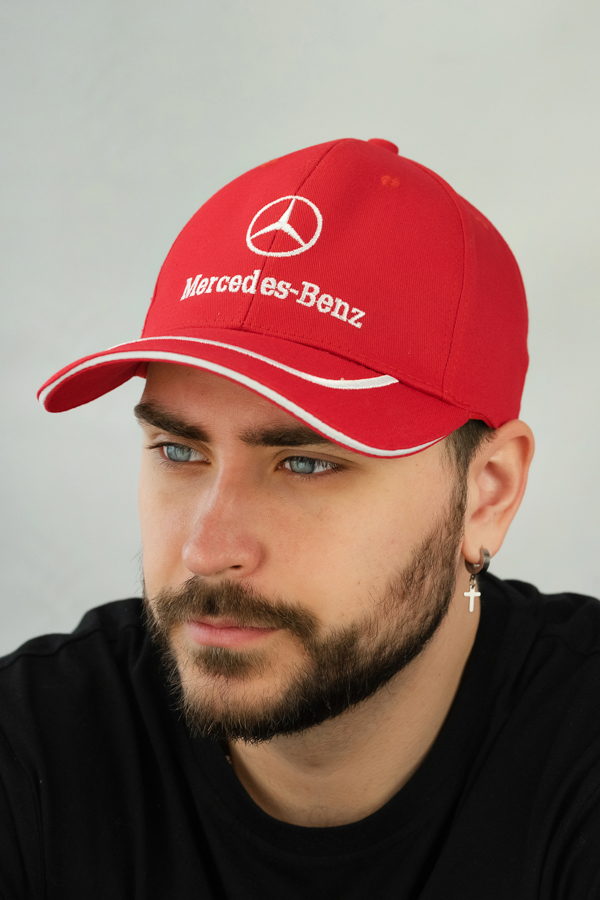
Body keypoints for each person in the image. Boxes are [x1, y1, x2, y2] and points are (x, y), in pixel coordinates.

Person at [1, 137, 599, 899]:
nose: (208, 550)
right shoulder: (33, 748)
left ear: (488, 493)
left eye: (307, 464)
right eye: (179, 451)